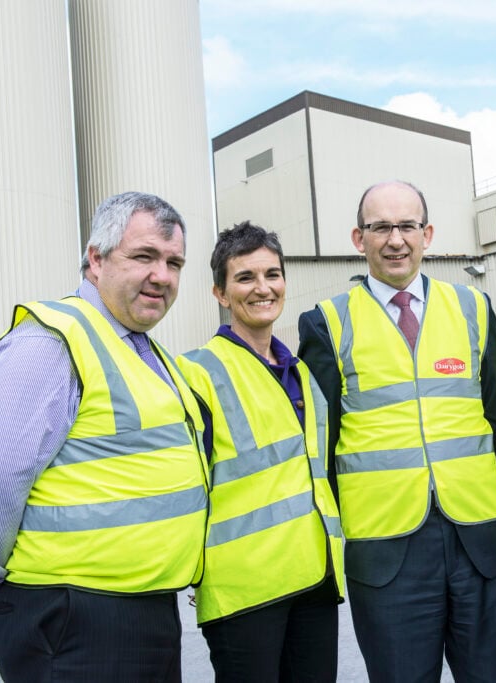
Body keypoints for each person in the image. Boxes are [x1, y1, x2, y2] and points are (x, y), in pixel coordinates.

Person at [0, 191, 208, 681]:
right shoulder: (49, 342)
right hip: (73, 621)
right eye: (144, 256)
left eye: (174, 262)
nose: (163, 275)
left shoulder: (146, 352)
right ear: (96, 258)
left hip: (143, 613)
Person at [298, 180, 496, 682]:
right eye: (381, 227)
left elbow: (494, 423)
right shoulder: (326, 324)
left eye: (406, 226)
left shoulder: (472, 308)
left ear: (428, 234)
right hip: (385, 552)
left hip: (476, 539)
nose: (395, 239)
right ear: (359, 239)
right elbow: (321, 444)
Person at [176, 221, 344, 682]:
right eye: (245, 277)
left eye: (272, 274)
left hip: (314, 577)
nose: (262, 288)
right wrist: (192, 567)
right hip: (243, 590)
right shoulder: (197, 372)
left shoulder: (304, 376)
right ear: (221, 293)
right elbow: (187, 485)